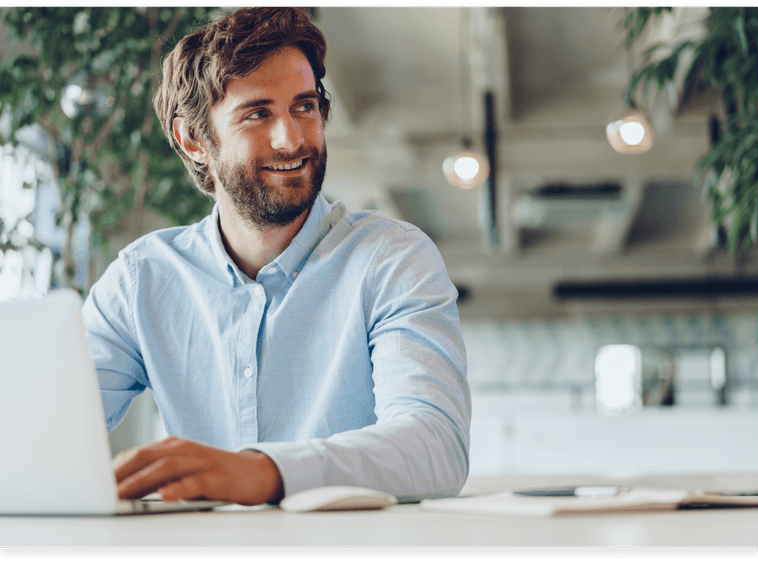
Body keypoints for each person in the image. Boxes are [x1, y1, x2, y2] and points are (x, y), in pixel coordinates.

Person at [82, 7, 470, 506]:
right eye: (258, 113)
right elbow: (45, 426)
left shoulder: (391, 259)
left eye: (304, 106)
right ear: (194, 139)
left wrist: (265, 473)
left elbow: (434, 445)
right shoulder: (141, 281)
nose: (292, 139)